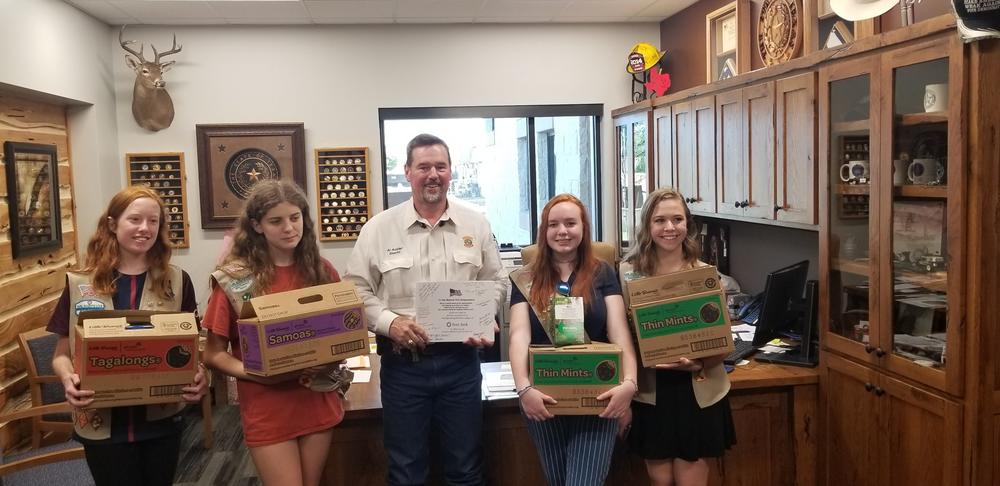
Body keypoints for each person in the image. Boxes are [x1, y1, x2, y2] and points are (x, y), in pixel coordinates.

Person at [345, 133, 505, 486]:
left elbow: (496, 280)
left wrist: (483, 315)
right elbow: (355, 290)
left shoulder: (475, 224)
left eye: (440, 166)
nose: (433, 174)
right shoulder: (378, 229)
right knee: (406, 472)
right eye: (423, 167)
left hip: (461, 366)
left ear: (451, 172)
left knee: (465, 469)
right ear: (408, 172)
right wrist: (391, 323)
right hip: (404, 369)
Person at [49, 186, 207, 486]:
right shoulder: (80, 283)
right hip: (101, 423)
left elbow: (191, 346)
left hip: (161, 421)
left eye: (153, 221)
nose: (145, 228)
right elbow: (61, 354)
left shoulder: (177, 281)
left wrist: (200, 374)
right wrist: (68, 379)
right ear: (112, 224)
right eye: (134, 219)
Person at [202, 180, 344, 486]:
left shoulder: (322, 270)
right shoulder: (235, 279)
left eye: (295, 218)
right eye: (276, 221)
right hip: (268, 406)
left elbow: (341, 333)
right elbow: (212, 354)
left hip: (316, 398)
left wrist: (334, 356)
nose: (289, 228)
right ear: (256, 226)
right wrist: (257, 372)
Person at [507, 193, 638, 486]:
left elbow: (619, 333)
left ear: (583, 229)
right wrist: (523, 389)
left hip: (599, 396)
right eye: (553, 225)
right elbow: (518, 335)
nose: (562, 231)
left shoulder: (602, 272)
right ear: (544, 231)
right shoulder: (525, 278)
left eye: (570, 223)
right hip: (542, 397)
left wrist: (629, 384)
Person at [620, 188, 735, 486]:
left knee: (690, 479)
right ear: (647, 226)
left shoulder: (706, 275)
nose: (669, 228)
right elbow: (619, 336)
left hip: (697, 391)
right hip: (650, 391)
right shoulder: (626, 274)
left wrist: (698, 362)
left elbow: (723, 341)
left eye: (677, 219)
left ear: (687, 224)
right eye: (660, 220)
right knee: (660, 479)